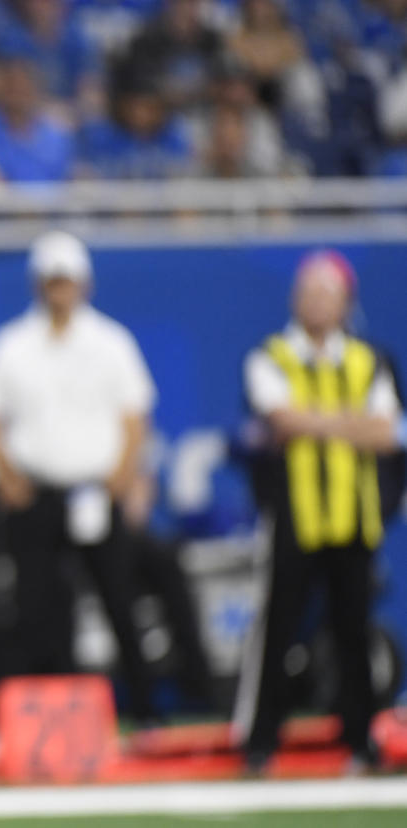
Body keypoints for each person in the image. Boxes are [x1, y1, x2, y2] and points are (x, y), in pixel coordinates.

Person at [0, 230, 159, 723]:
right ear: (39, 284)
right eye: (53, 281)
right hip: (38, 496)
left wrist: (123, 475)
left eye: (68, 281)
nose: (61, 290)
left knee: (119, 600)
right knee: (39, 608)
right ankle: (49, 714)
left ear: (84, 284)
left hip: (97, 492)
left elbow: (135, 416)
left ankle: (143, 710)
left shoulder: (111, 342)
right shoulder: (12, 345)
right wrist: (9, 479)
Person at [236, 250, 403, 773]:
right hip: (295, 512)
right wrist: (349, 422)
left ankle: (360, 738)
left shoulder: (368, 358)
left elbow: (388, 433)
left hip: (354, 514)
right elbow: (280, 419)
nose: (317, 303)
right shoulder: (272, 354)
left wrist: (316, 421)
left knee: (353, 630)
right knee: (280, 629)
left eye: (327, 294)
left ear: (345, 301)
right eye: (309, 293)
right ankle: (261, 739)